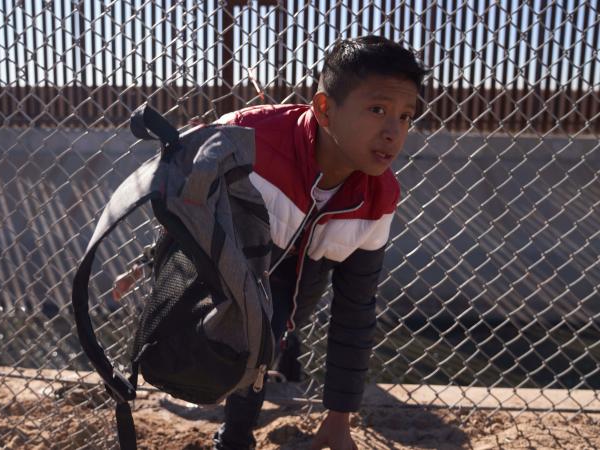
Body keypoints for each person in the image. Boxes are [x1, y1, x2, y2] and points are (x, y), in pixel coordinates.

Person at [114, 35, 426, 449]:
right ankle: (232, 426)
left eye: (406, 116)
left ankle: (239, 429)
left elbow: (356, 308)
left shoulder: (379, 197)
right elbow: (187, 200)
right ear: (324, 109)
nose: (393, 131)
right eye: (377, 110)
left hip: (303, 276)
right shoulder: (248, 137)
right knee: (238, 337)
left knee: (270, 334)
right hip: (236, 256)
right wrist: (152, 261)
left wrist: (338, 420)